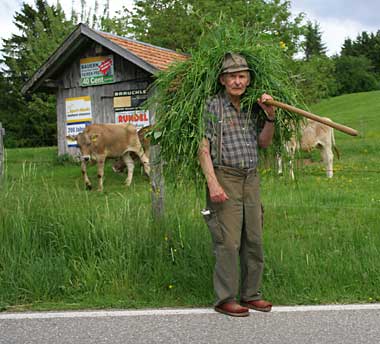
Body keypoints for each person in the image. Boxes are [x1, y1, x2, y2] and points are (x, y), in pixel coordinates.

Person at [198, 52, 276, 317]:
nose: (237, 81)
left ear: (248, 79)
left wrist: (270, 117)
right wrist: (213, 183)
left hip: (251, 178)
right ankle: (225, 298)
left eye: (242, 76)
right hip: (226, 177)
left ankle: (251, 295)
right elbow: (203, 147)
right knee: (228, 241)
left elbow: (264, 143)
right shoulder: (212, 106)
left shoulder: (255, 107)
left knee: (254, 238)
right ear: (222, 80)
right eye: (232, 76)